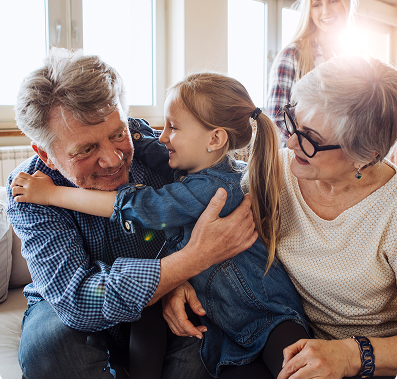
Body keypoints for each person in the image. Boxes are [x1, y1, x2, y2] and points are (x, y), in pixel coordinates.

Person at [11, 72, 313, 378]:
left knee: (199, 350)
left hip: (176, 300)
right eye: (87, 150)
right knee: (50, 348)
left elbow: (197, 176)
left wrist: (175, 279)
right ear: (46, 155)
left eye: (118, 134)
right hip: (75, 304)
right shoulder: (30, 190)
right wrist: (186, 264)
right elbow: (78, 300)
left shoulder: (161, 153)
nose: (114, 159)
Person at [162, 55, 397, 379]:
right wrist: (179, 278)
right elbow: (217, 234)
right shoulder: (279, 169)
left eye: (311, 139)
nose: (290, 142)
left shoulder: (391, 211)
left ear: (365, 154)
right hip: (285, 336)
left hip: (366, 362)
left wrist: (348, 354)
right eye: (293, 121)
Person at [267, 0, 359, 145]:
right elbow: (277, 120)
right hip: (302, 155)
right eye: (317, 4)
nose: (326, 11)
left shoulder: (356, 60)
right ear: (309, 11)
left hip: (345, 156)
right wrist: (311, 149)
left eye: (333, 0)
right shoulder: (292, 55)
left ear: (346, 4)